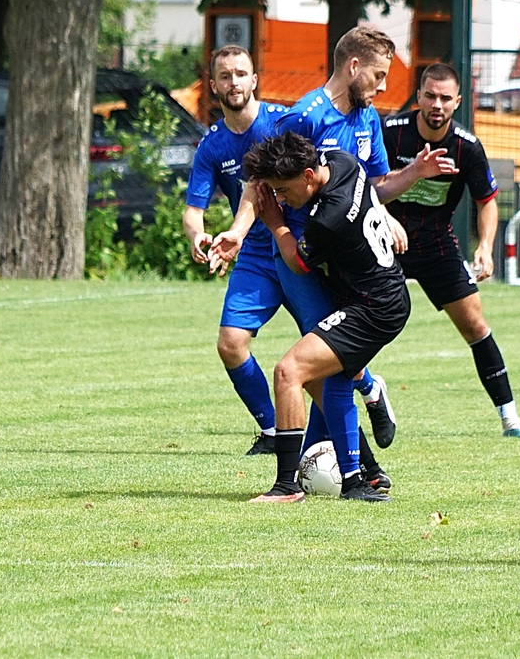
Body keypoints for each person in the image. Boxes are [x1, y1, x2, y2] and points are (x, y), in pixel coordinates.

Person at [220, 26, 455, 490]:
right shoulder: (305, 116)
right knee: (307, 364)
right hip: (293, 255)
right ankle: (360, 445)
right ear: (353, 66)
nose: (383, 87)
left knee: (319, 366)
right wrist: (239, 231)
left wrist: (407, 182)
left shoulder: (367, 118)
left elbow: (374, 184)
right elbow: (261, 178)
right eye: (379, 75)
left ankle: (354, 469)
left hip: (323, 257)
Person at [183, 45, 396, 465]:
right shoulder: (212, 144)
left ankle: (366, 403)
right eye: (224, 76)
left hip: (301, 250)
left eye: (240, 74)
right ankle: (272, 428)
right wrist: (204, 234)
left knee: (324, 353)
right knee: (231, 343)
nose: (233, 83)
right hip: (257, 253)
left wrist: (384, 214)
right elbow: (196, 209)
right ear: (213, 85)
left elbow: (351, 182)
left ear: (254, 79)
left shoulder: (285, 122)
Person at [212, 133, 411, 502]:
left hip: (373, 309)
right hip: (378, 297)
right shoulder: (343, 160)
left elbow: (298, 262)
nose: (282, 200)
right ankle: (359, 479)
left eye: (284, 191)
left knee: (289, 371)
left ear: (307, 175)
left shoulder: (329, 218)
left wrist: (275, 222)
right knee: (332, 381)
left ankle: (287, 487)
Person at [380, 63, 520, 439]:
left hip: (436, 243)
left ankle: (510, 419)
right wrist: (386, 216)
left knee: (476, 326)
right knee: (364, 323)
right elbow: (368, 183)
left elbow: (487, 201)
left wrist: (484, 246)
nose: (437, 104)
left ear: (457, 101)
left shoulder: (467, 146)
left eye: (445, 98)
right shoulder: (391, 133)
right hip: (386, 240)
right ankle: (370, 391)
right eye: (430, 96)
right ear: (419, 97)